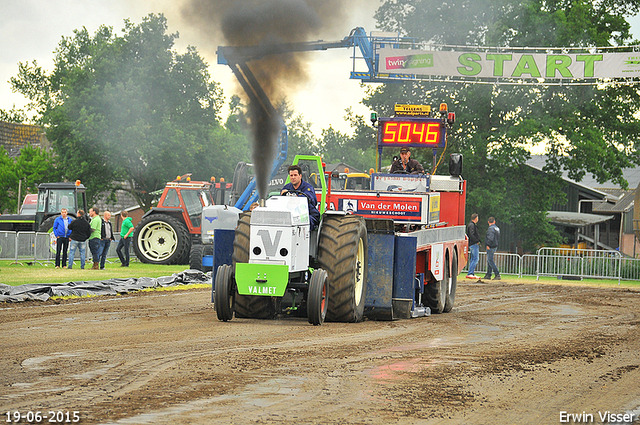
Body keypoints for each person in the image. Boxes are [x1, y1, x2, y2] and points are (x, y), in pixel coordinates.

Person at [281, 164, 320, 230]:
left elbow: (308, 198)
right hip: (291, 215)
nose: (293, 177)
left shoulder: (308, 188)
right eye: (291, 175)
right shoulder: (286, 187)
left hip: (308, 214)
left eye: (295, 175)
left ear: (300, 176)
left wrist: (295, 197)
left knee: (303, 222)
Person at [466, 213, 481, 279]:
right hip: (473, 244)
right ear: (475, 218)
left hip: (472, 244)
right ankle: (470, 273)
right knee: (475, 258)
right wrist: (476, 241)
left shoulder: (471, 225)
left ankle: (471, 272)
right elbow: (472, 234)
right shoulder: (472, 225)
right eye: (477, 218)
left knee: (473, 259)